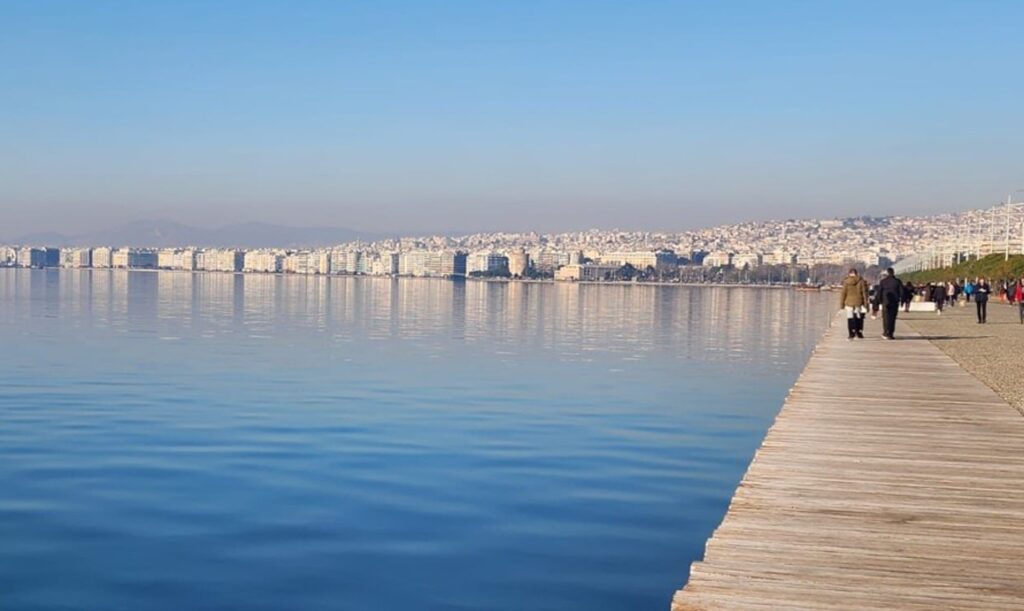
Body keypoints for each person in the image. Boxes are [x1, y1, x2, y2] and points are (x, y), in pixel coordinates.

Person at [838, 268, 869, 340]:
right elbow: (864, 293)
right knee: (858, 316)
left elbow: (843, 293)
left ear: (849, 274)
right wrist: (865, 303)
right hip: (858, 301)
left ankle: (851, 333)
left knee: (850, 317)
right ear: (856, 273)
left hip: (849, 302)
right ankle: (858, 332)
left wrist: (842, 304)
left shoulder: (846, 282)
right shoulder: (861, 281)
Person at [878, 268, 903, 339]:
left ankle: (886, 332)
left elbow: (879, 292)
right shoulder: (897, 281)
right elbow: (902, 292)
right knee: (892, 318)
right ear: (893, 273)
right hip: (895, 302)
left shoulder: (883, 281)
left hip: (886, 301)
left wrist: (879, 300)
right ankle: (891, 333)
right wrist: (902, 300)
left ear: (887, 273)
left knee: (885, 318)